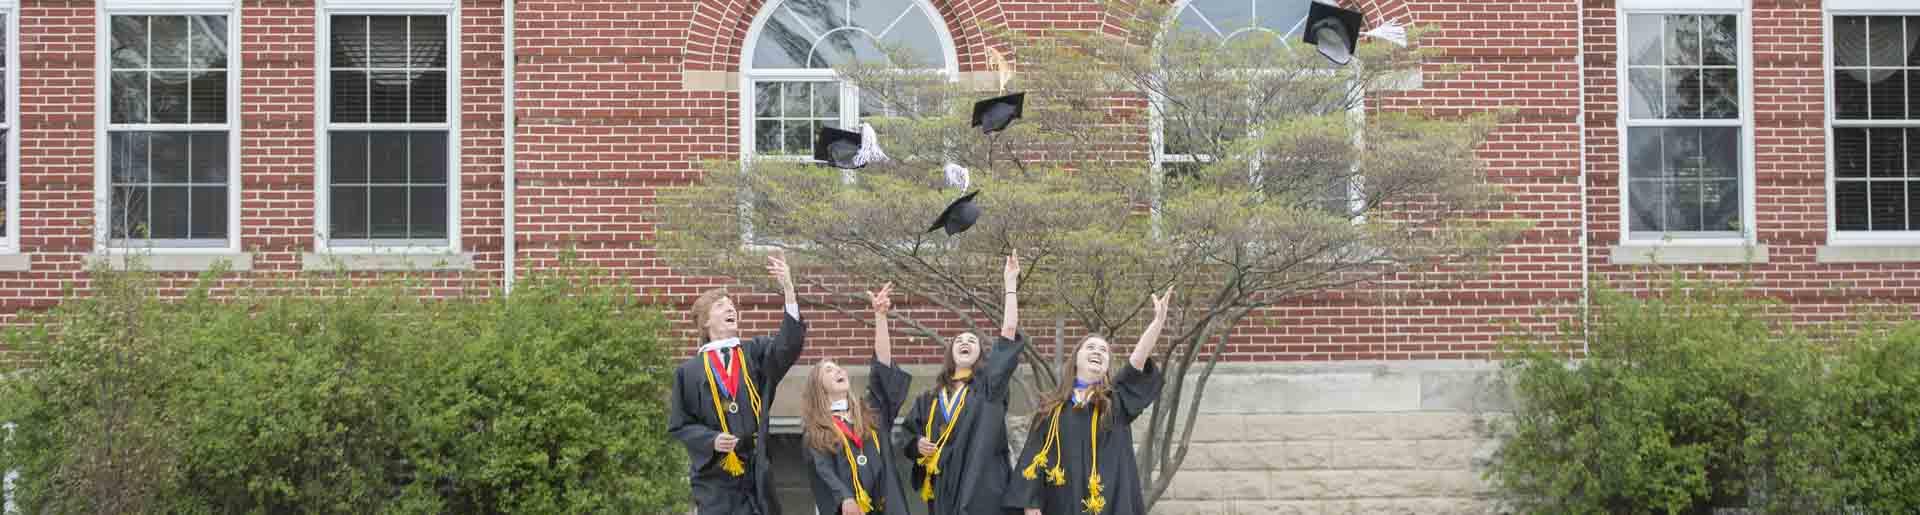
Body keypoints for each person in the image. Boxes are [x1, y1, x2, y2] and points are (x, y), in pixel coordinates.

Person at [1007, 288, 1172, 515]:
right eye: (1091, 347)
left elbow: (1137, 361)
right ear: (1076, 360)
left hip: (1110, 503)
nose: (1098, 352)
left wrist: (1158, 322)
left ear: (1106, 366)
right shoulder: (1051, 412)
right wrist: (1031, 503)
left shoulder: (1115, 403)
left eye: (1104, 350)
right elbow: (1033, 458)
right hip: (1064, 502)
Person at [668, 252, 805, 515]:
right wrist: (711, 440)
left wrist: (788, 289)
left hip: (756, 472)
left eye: (732, 305)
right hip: (715, 477)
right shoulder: (689, 372)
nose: (730, 308)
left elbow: (788, 346)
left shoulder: (755, 353)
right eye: (720, 306)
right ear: (705, 321)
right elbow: (680, 425)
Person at [898, 252, 1025, 515]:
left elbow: (1009, 333)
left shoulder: (988, 387)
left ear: (981, 354)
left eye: (972, 341)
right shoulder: (930, 399)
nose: (965, 343)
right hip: (944, 486)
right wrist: (917, 444)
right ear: (950, 353)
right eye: (959, 341)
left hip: (982, 488)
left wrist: (1010, 286)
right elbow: (908, 435)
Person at [803, 283, 913, 515]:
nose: (839, 371)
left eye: (838, 368)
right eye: (829, 371)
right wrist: (844, 498)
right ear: (818, 388)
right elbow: (824, 472)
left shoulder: (870, 413)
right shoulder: (818, 430)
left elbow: (882, 369)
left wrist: (880, 317)